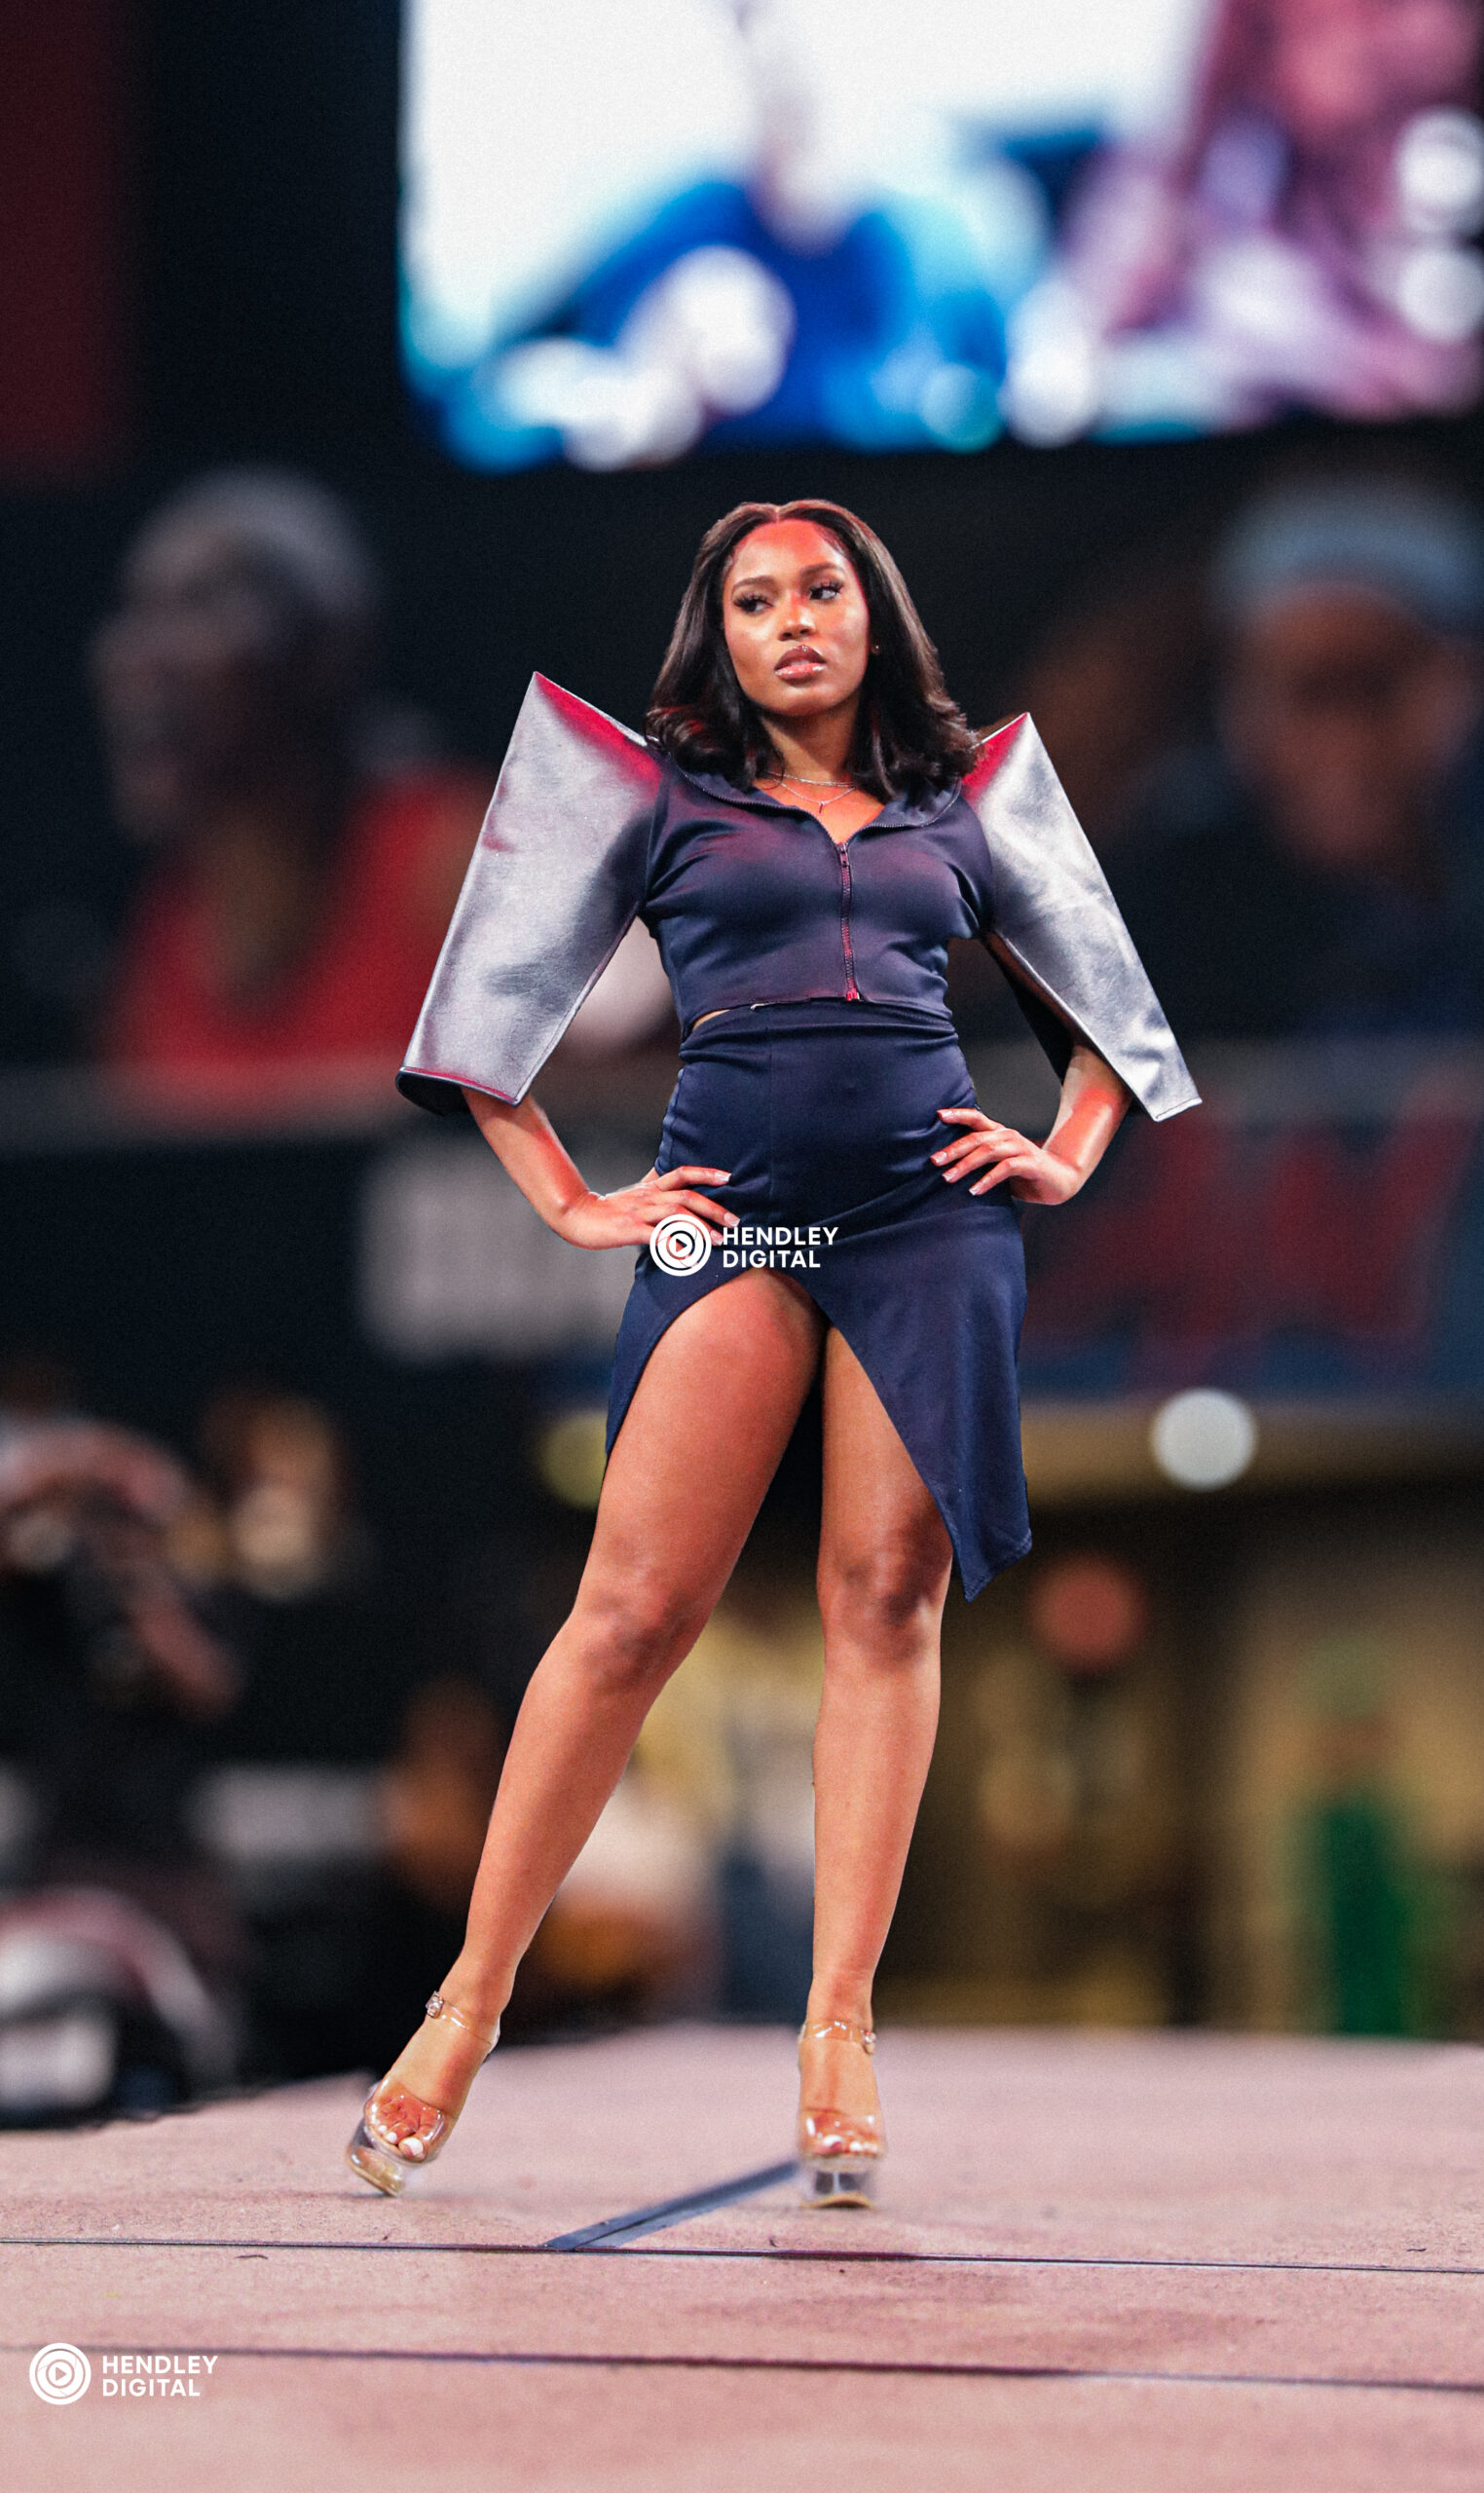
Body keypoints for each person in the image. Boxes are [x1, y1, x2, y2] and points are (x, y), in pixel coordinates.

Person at [345, 499, 1198, 2207]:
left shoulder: (967, 800)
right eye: (754, 599)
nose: (793, 620)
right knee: (631, 1611)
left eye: (821, 589)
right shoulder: (659, 794)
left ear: (875, 613)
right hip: (732, 1215)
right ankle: (466, 2003)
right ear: (716, 633)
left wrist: (1064, 1148)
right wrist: (571, 1199)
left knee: (882, 1599)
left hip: (925, 1218)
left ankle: (837, 2029)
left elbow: (1111, 1010)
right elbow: (480, 1019)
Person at [1108, 475, 1484, 1040]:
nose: (1341, 741)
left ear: (1464, 680)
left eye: (1374, 687)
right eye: (1302, 693)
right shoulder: (1170, 904)